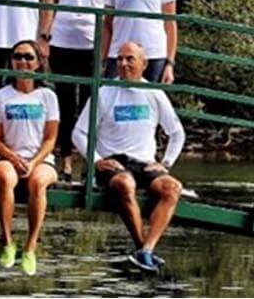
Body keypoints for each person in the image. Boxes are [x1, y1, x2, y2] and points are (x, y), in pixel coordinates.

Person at [72, 41, 187, 272]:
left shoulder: (154, 93)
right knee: (124, 183)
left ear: (143, 64)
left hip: (144, 163)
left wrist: (165, 163)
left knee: (172, 188)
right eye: (120, 59)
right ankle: (142, 249)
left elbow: (177, 133)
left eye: (130, 59)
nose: (123, 64)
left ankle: (146, 250)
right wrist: (97, 160)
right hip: (114, 163)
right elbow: (79, 132)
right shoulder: (104, 92)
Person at [48, 0, 118, 178]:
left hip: (94, 45)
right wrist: (44, 37)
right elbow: (51, 5)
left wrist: (106, 50)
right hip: (64, 42)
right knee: (65, 103)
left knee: (91, 105)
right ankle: (65, 161)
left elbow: (110, 13)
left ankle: (91, 163)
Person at [0, 39, 59, 275]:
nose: (22, 62)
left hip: (39, 158)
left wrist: (34, 161)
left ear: (38, 63)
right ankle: (7, 241)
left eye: (28, 57)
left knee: (38, 182)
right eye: (18, 56)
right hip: (8, 156)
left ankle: (30, 246)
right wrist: (12, 157)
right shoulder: (1, 96)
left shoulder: (47, 96)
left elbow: (50, 138)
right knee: (5, 178)